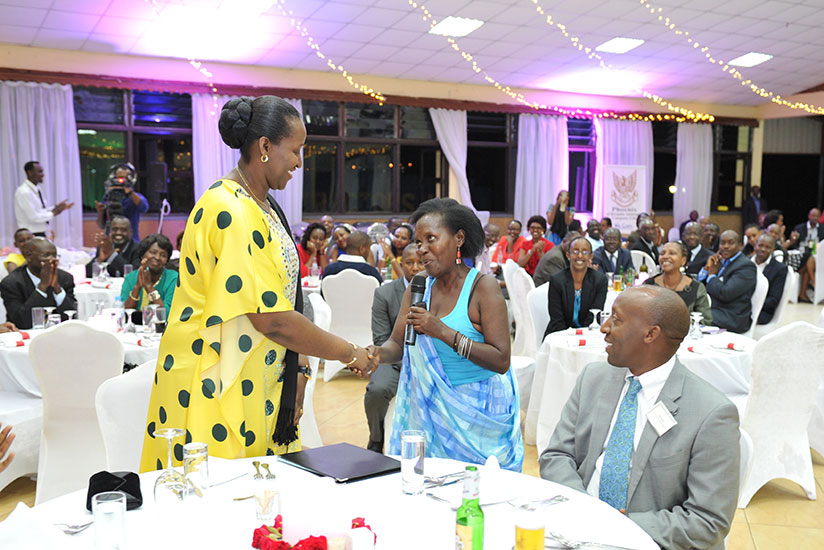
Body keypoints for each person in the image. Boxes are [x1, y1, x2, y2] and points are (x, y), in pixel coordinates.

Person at [140, 96, 374, 471]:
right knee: (221, 498)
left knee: (261, 503)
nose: (300, 162)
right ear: (265, 146)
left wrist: (298, 368)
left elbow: (287, 295)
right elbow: (273, 319)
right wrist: (350, 353)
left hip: (256, 369)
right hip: (214, 376)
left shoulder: (261, 204)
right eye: (296, 151)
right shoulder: (230, 209)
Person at [540, 286, 739, 550]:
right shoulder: (594, 378)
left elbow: (708, 520)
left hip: (649, 539)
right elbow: (556, 455)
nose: (604, 327)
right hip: (578, 527)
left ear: (650, 334)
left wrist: (618, 526)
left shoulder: (711, 413)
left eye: (617, 319)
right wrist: (585, 510)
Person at [367, 198, 523, 470]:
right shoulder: (418, 286)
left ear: (459, 238)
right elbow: (396, 343)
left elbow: (501, 360)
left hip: (479, 416)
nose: (422, 250)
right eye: (418, 242)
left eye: (431, 239)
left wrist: (440, 331)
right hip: (429, 412)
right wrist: (377, 353)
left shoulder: (483, 287)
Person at [364, 245, 424, 453]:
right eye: (409, 263)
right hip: (394, 360)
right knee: (376, 390)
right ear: (401, 263)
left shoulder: (438, 289)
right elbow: (381, 338)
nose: (415, 268)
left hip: (429, 362)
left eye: (420, 262)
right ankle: (376, 438)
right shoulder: (385, 293)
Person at [0, 237, 77, 329]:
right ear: (28, 256)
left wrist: (57, 288)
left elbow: (71, 317)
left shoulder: (64, 278)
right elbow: (21, 322)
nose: (52, 260)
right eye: (46, 255)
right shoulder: (11, 283)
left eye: (54, 255)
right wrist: (42, 288)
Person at [544, 237, 608, 336]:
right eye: (575, 251)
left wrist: (581, 336)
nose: (580, 255)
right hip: (560, 334)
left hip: (588, 334)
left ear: (591, 257)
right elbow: (557, 319)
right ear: (568, 255)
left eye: (585, 252)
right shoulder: (557, 280)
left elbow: (594, 317)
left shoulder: (600, 281)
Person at [698, 230, 757, 333]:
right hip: (716, 308)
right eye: (722, 242)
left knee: (692, 317)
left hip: (733, 316)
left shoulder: (746, 267)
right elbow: (701, 285)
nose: (725, 246)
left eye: (731, 243)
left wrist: (712, 275)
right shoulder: (720, 261)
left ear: (740, 245)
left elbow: (726, 293)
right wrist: (708, 268)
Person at [644, 242, 712, 324]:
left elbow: (705, 320)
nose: (665, 257)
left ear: (683, 261)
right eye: (662, 253)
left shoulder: (696, 287)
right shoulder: (649, 285)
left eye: (672, 253)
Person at [121, 234, 178, 319]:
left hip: (161, 330)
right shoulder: (131, 277)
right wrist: (137, 287)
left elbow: (166, 316)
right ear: (142, 255)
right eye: (153, 252)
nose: (157, 257)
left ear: (167, 260)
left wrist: (149, 287)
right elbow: (125, 313)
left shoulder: (173, 278)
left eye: (163, 255)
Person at [14, 161, 73, 237]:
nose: (43, 175)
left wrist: (57, 207)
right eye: (40, 172)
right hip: (30, 236)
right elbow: (34, 217)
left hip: (39, 233)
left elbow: (41, 211)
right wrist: (55, 212)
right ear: (30, 173)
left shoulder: (36, 189)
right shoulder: (24, 192)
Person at [95, 163, 149, 240]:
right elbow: (101, 225)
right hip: (111, 241)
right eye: (119, 178)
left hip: (131, 241)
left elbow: (144, 208)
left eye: (124, 178)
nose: (121, 181)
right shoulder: (108, 196)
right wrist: (100, 212)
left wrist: (130, 193)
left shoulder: (136, 197)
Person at [752, 234, 787, 324]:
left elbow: (773, 300)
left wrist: (750, 304)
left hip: (762, 311)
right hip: (739, 308)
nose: (763, 249)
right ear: (755, 245)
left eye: (767, 247)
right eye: (760, 245)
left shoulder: (779, 269)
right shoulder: (746, 262)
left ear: (773, 249)